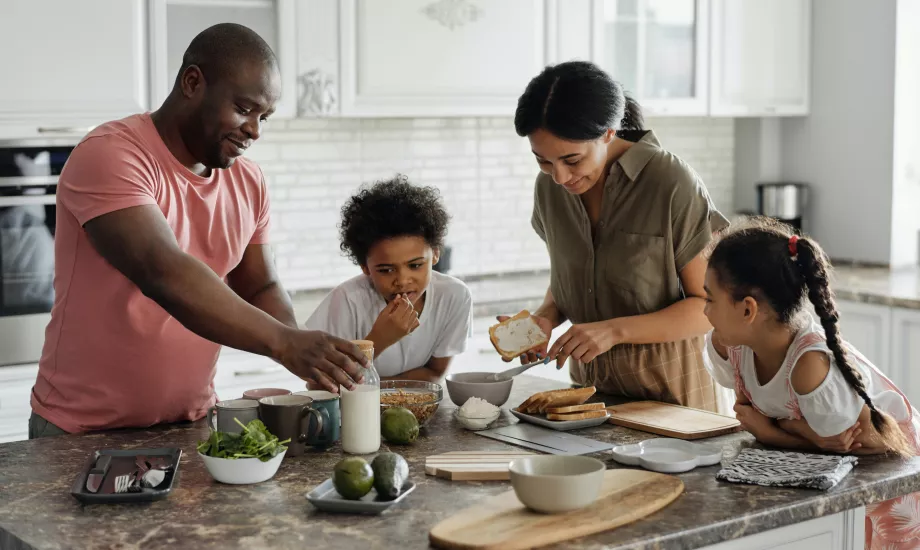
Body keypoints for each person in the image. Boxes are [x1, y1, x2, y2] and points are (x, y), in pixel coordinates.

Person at [29, 23, 366, 438]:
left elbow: (259, 285)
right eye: (244, 109)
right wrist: (284, 343)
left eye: (265, 117)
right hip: (81, 430)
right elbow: (163, 272)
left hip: (191, 423)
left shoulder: (248, 180)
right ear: (192, 82)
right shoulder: (111, 154)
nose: (255, 130)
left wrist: (306, 355)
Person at [505, 60, 729, 411]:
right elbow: (572, 280)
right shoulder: (548, 189)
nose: (560, 177)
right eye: (543, 161)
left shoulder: (670, 182)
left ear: (609, 133)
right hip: (589, 400)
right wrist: (544, 320)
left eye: (572, 160)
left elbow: (710, 307)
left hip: (676, 402)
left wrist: (613, 331)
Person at [702, 218, 919, 549]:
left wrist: (773, 432)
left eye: (710, 299)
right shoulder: (731, 345)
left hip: (892, 475)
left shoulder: (808, 365)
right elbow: (818, 439)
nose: (704, 311)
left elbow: (855, 447)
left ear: (748, 310)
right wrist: (804, 432)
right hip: (839, 477)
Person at [305, 176, 472, 382]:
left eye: (415, 265)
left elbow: (435, 373)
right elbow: (318, 385)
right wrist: (379, 340)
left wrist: (376, 389)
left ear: (436, 254)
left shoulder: (454, 296)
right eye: (386, 270)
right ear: (365, 267)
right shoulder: (347, 301)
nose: (402, 280)